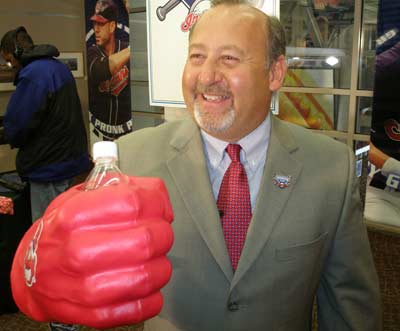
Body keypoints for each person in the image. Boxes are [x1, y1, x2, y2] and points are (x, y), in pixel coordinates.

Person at [11, 1, 382, 330]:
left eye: (229, 59)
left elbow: (350, 305)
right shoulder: (131, 160)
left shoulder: (330, 168)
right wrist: (52, 273)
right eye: (197, 56)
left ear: (274, 73)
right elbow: (83, 279)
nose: (206, 77)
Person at [0, 26, 91, 331]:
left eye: (7, 58)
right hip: (69, 166)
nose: (9, 64)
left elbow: (18, 123)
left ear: (15, 51)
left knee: (49, 246)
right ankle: (73, 309)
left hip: (48, 170)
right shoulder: (56, 68)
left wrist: (11, 134)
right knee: (68, 240)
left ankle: (63, 318)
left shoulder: (34, 75)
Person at [87, 0, 132, 141]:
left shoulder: (125, 47)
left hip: (129, 131)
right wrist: (134, 49)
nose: (96, 29)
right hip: (99, 133)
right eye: (95, 24)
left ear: (112, 26)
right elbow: (101, 69)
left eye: (101, 24)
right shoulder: (92, 52)